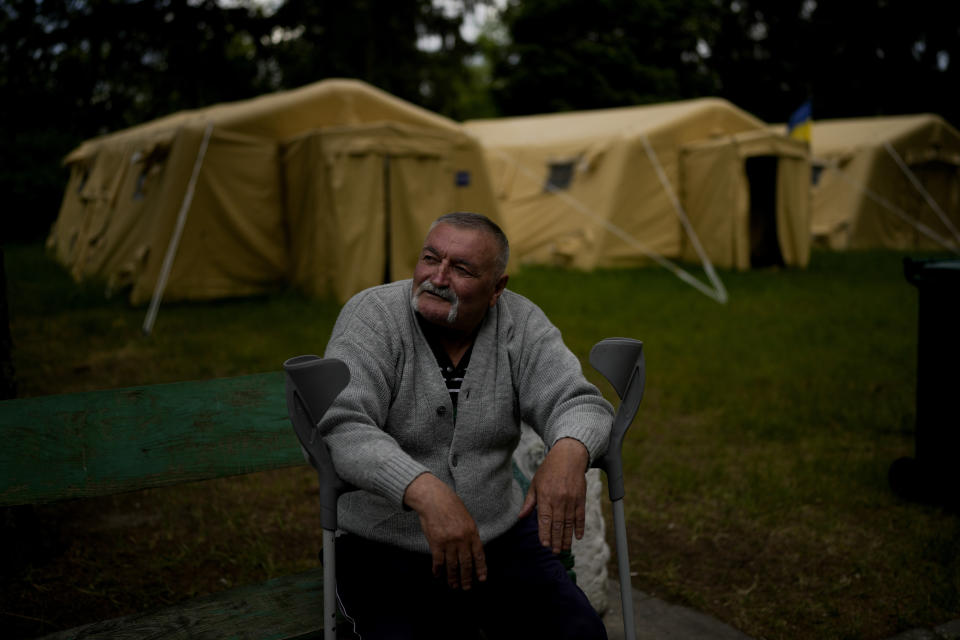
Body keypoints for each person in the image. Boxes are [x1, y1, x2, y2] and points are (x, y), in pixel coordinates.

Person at [320, 211, 613, 639]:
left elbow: (578, 400)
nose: (437, 277)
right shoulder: (373, 316)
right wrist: (425, 491)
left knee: (579, 633)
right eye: (430, 259)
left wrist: (568, 451)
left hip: (501, 537)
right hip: (383, 546)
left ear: (497, 288)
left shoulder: (521, 322)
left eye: (460, 269)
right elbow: (342, 424)